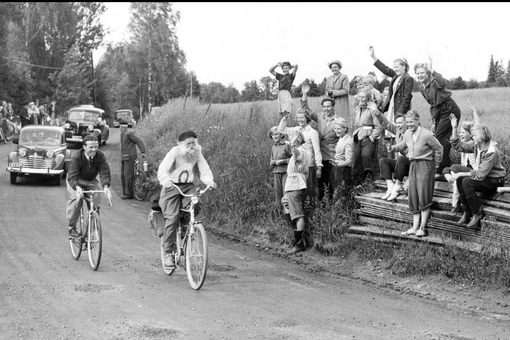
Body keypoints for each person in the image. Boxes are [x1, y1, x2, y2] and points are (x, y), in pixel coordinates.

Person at [157, 130, 217, 269]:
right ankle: (168, 254)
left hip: (187, 186)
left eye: (193, 143)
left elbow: (204, 169)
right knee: (172, 217)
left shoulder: (197, 152)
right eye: (188, 143)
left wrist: (209, 181)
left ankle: (186, 229)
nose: (191, 146)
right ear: (180, 144)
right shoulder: (174, 152)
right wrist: (165, 180)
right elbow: (163, 169)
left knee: (195, 205)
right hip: (171, 187)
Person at [390, 110, 443, 237]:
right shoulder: (407, 133)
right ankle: (414, 227)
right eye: (407, 122)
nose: (409, 125)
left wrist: (436, 164)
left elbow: (439, 148)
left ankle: (422, 228)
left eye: (411, 122)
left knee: (424, 195)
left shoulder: (427, 135)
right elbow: (403, 145)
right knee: (413, 195)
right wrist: (392, 148)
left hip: (425, 166)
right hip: (413, 165)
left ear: (418, 121)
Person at [448, 124, 506, 229]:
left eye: (474, 135)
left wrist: (460, 174)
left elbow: (480, 175)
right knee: (455, 167)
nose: (472, 137)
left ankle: (476, 213)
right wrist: (454, 127)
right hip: (484, 176)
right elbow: (458, 146)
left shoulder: (491, 151)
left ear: (481, 137)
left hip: (494, 180)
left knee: (466, 181)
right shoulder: (476, 145)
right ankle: (466, 212)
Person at [414, 57, 461, 177]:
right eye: (417, 73)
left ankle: (441, 169)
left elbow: (443, 82)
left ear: (427, 73)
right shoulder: (421, 87)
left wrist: (432, 69)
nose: (419, 75)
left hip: (449, 109)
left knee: (439, 138)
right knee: (441, 139)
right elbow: (433, 105)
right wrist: (434, 121)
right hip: (439, 111)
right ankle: (445, 167)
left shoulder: (435, 82)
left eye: (422, 72)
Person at [278, 80, 322, 200]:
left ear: (307, 118)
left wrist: (319, 167)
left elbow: (317, 151)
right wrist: (285, 118)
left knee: (309, 190)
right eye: (298, 118)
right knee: (298, 190)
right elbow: (281, 130)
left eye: (302, 118)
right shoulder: (295, 129)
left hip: (309, 164)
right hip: (296, 165)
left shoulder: (312, 132)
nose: (300, 120)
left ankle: (311, 211)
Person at [66, 135, 112, 238]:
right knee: (77, 201)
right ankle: (72, 228)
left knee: (95, 202)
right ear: (84, 147)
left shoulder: (100, 156)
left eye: (96, 147)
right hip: (75, 180)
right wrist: (77, 187)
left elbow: (104, 172)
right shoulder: (77, 157)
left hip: (90, 181)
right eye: (91, 147)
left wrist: (105, 186)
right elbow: (72, 176)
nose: (94, 149)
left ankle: (90, 232)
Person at [301, 81, 339, 201]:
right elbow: (306, 110)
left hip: (332, 155)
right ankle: (322, 203)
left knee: (332, 181)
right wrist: (304, 95)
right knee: (321, 181)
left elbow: (342, 139)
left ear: (332, 107)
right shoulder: (319, 116)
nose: (326, 109)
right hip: (319, 154)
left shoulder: (338, 121)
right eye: (324, 107)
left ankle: (333, 204)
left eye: (329, 106)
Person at [443, 102, 479, 213]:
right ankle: (457, 203)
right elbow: (456, 144)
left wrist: (474, 112)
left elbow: (478, 126)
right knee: (446, 169)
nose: (461, 135)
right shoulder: (463, 146)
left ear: (471, 133)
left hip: (473, 173)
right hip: (464, 172)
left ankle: (455, 205)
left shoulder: (475, 144)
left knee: (455, 172)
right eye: (460, 132)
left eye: (463, 133)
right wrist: (454, 127)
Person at [281, 131, 311, 255]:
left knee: (298, 214)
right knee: (285, 203)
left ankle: (299, 244)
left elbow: (296, 154)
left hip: (296, 185)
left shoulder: (301, 151)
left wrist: (293, 145)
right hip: (292, 184)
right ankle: (296, 236)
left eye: (293, 140)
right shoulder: (301, 151)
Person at [369, 46, 414, 126]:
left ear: (404, 67)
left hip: (400, 109)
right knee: (391, 129)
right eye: (394, 67)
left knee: (399, 129)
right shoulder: (395, 76)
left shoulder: (408, 78)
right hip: (392, 106)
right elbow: (384, 68)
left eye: (397, 67)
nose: (395, 69)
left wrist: (400, 112)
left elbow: (407, 97)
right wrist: (373, 56)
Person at [351, 89, 383, 183]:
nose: (361, 99)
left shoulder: (371, 111)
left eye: (363, 97)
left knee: (365, 156)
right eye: (359, 97)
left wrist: (372, 137)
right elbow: (356, 125)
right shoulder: (357, 109)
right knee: (356, 159)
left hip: (367, 137)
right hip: (357, 136)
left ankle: (369, 177)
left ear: (368, 99)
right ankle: (357, 181)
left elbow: (379, 126)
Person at [377, 114, 410, 200]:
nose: (398, 125)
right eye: (396, 123)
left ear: (406, 123)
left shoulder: (411, 132)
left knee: (401, 159)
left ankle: (397, 186)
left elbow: (408, 151)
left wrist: (393, 148)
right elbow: (386, 124)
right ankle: (390, 185)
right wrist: (376, 112)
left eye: (400, 122)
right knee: (383, 161)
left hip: (411, 165)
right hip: (400, 164)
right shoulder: (398, 131)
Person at [268, 126, 292, 213]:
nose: (275, 136)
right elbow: (271, 161)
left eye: (276, 134)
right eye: (273, 135)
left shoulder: (286, 145)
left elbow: (293, 159)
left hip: (286, 172)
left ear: (281, 134)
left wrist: (283, 161)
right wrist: (274, 162)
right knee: (278, 194)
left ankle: (289, 215)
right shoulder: (274, 146)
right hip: (276, 172)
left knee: (286, 193)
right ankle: (280, 214)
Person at [120, 124, 146, 199]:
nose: (121, 128)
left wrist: (143, 151)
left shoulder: (129, 133)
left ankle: (129, 194)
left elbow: (138, 141)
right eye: (121, 127)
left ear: (125, 127)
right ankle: (125, 193)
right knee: (123, 176)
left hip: (129, 157)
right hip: (124, 158)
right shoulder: (122, 134)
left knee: (128, 176)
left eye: (123, 127)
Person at [331, 117, 353, 198]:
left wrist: (339, 165)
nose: (336, 131)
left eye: (339, 129)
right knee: (336, 191)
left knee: (342, 193)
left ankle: (342, 209)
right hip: (338, 168)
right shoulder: (341, 138)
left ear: (345, 128)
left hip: (344, 170)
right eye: (335, 129)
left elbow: (349, 161)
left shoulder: (348, 141)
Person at [325, 60, 350, 125]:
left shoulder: (344, 76)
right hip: (331, 103)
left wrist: (333, 92)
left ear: (339, 68)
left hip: (341, 103)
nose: (334, 69)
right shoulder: (329, 78)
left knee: (342, 122)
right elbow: (326, 91)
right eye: (332, 67)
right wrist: (328, 93)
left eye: (335, 67)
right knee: (332, 122)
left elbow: (346, 91)